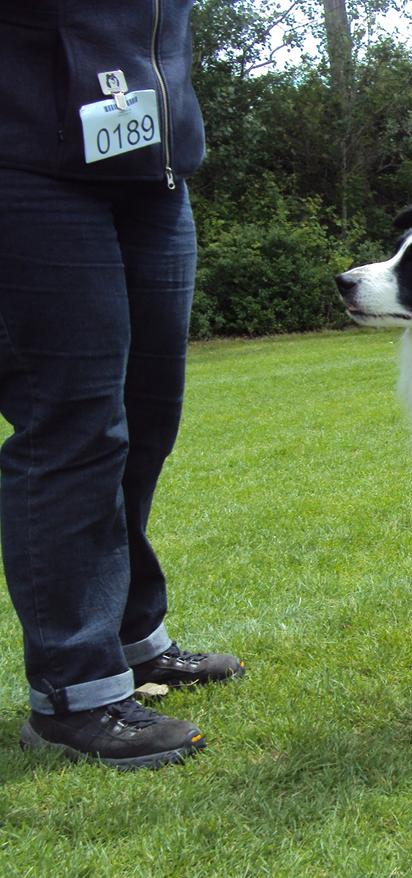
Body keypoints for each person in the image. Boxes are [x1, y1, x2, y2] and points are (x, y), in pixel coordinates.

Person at [0, 2, 243, 770]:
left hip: (150, 160)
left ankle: (131, 640)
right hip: (27, 154)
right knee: (71, 421)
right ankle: (75, 694)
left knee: (147, 416)